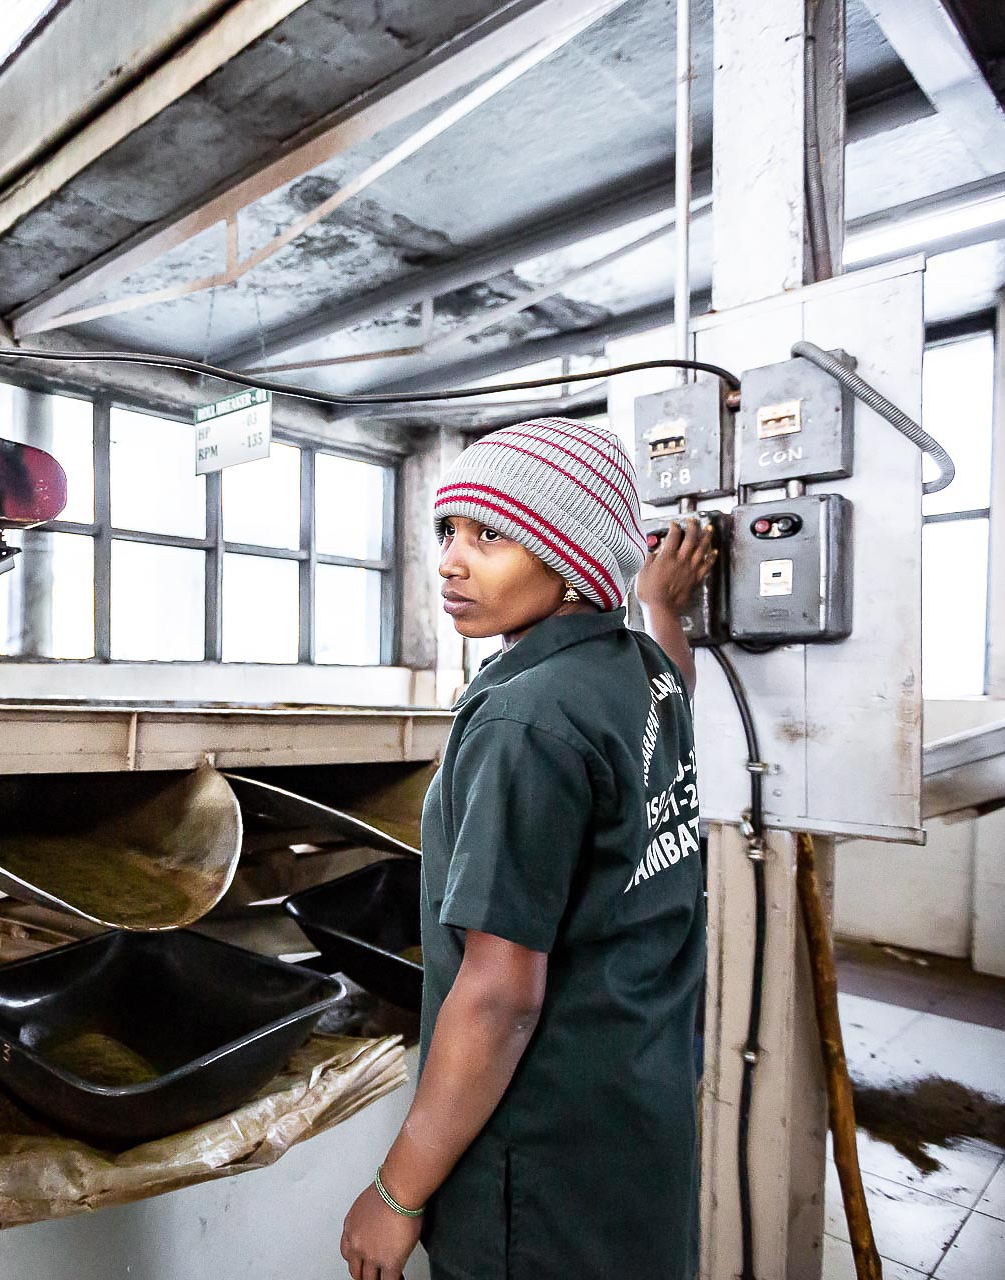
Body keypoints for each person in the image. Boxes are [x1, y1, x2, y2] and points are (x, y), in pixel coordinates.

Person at [338, 418, 718, 1280]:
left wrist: (395, 1195)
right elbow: (676, 675)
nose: (450, 561)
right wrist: (661, 606)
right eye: (448, 531)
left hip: (536, 1144)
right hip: (631, 1104)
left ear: (571, 554)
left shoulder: (526, 719)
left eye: (492, 535)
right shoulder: (638, 672)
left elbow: (500, 996)